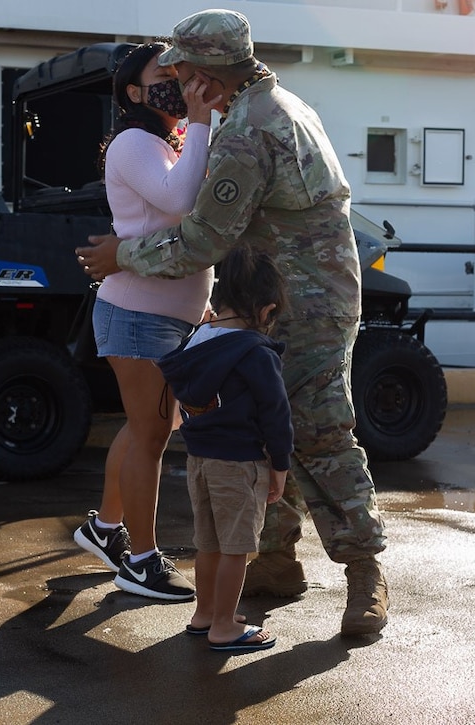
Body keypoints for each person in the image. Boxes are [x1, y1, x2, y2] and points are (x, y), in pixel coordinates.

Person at [74, 8, 389, 635]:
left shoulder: (249, 128)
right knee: (260, 426)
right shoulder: (280, 103)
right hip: (286, 294)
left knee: (320, 430)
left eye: (182, 69)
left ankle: (364, 576)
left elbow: (202, 239)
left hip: (306, 303)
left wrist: (119, 256)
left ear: (208, 72)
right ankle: (273, 560)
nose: (177, 79)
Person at [71, 41, 224, 601]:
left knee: (146, 430)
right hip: (138, 311)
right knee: (152, 435)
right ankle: (139, 561)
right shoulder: (136, 141)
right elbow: (181, 201)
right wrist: (205, 119)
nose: (177, 80)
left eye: (178, 71)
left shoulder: (165, 140)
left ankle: (104, 528)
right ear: (134, 92)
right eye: (164, 74)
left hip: (165, 312)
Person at [157, 246, 292, 653]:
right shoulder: (254, 352)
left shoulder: (198, 339)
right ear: (265, 311)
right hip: (240, 464)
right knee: (237, 550)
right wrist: (280, 465)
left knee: (209, 545)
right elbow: (276, 413)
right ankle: (223, 627)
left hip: (199, 460)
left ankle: (205, 614)